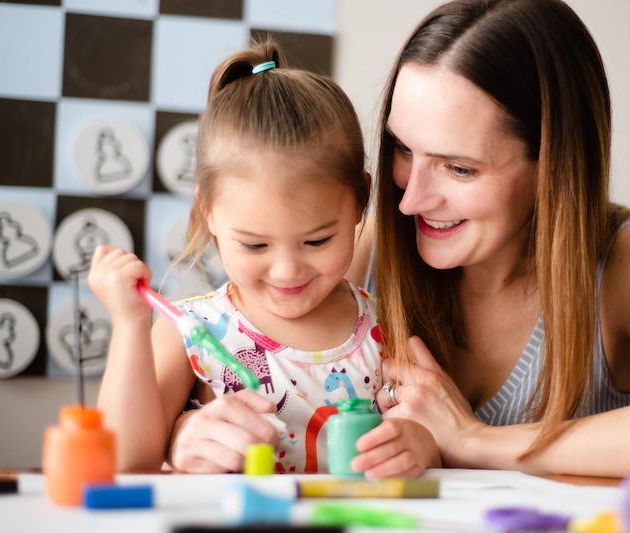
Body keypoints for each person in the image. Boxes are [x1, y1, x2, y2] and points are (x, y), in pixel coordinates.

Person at [353, 0, 630, 482]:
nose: (409, 201)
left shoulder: (628, 267)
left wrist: (473, 440)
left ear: (553, 167)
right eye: (405, 149)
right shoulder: (367, 249)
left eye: (459, 168)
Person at [89, 40, 439, 476]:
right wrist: (128, 326)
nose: (287, 271)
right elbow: (124, 461)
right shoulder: (190, 332)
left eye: (317, 241)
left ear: (362, 200)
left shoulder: (391, 327)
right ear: (208, 212)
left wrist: (420, 445)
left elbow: (435, 438)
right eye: (255, 245)